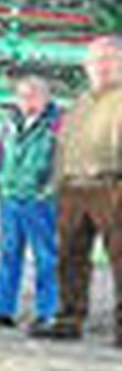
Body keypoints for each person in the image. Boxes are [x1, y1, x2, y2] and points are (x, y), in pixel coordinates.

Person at [33, 36, 122, 345]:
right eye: (95, 60)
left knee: (120, 258)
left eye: (109, 58)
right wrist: (58, 183)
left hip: (112, 186)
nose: (101, 66)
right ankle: (68, 319)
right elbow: (62, 145)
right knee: (70, 258)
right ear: (86, 66)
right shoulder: (78, 105)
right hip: (73, 188)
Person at [0, 77, 62, 331]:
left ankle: (48, 312)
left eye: (33, 95)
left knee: (45, 258)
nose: (28, 101)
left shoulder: (58, 125)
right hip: (10, 197)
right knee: (8, 255)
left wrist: (46, 191)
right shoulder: (10, 122)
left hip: (39, 202)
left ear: (45, 97)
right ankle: (4, 310)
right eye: (23, 96)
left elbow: (63, 161)